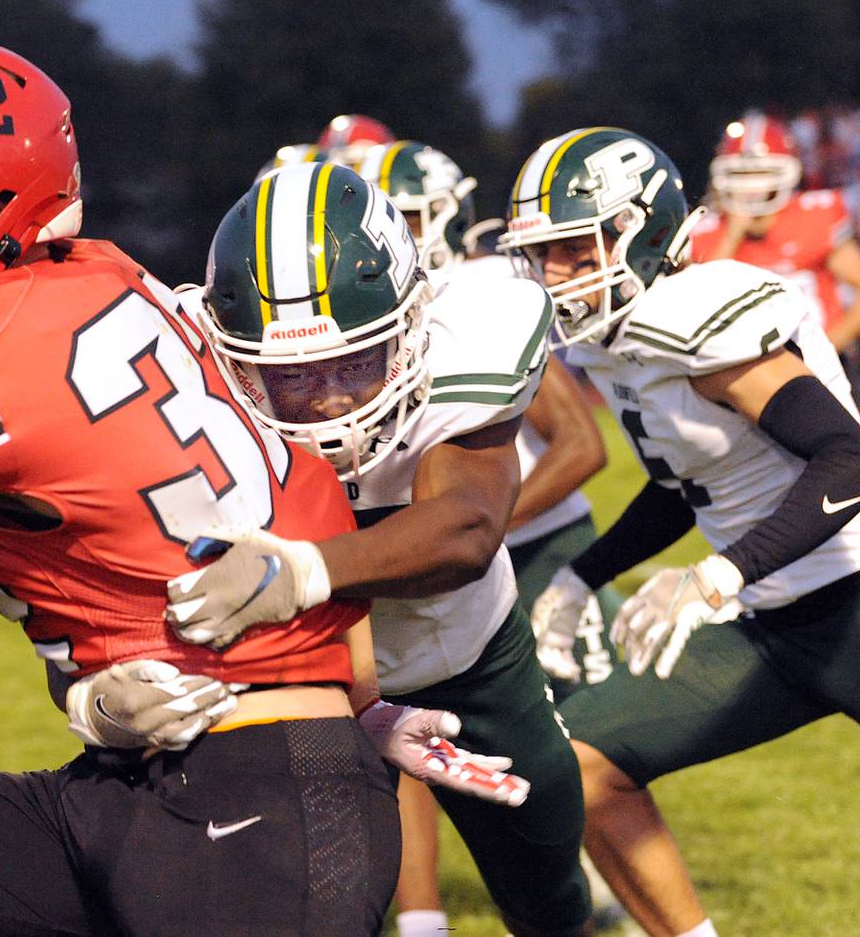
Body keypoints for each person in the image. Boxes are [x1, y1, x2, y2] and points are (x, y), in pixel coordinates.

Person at [0, 37, 480, 935]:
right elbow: (271, 504)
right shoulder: (115, 281)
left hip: (256, 810)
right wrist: (95, 696)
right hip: (177, 779)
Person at [142, 160, 591, 936]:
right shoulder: (184, 374)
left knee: (547, 880)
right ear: (235, 357)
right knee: (296, 893)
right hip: (294, 672)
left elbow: (466, 529)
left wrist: (305, 569)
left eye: (355, 359)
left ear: (414, 321)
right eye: (292, 374)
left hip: (471, 660)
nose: (329, 396)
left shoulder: (468, 335)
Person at [500, 126, 860, 937]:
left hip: (847, 595)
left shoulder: (698, 317)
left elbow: (846, 455)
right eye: (541, 252)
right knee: (578, 766)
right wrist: (578, 575)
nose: (554, 273)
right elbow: (681, 484)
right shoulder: (621, 341)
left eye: (570, 247)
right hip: (773, 624)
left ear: (642, 231)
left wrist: (717, 575)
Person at [351, 139, 626, 935]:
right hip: (412, 559)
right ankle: (426, 916)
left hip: (520, 545)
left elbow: (581, 445)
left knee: (575, 746)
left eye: (406, 218)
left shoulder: (481, 305)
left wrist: (465, 529)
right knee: (405, 728)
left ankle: (588, 894)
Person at [691, 112, 860, 392]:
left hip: (828, 361)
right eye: (743, 173)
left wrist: (828, 346)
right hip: (745, 370)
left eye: (761, 173)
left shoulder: (812, 216)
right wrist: (733, 234)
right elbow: (699, 303)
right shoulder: (708, 231)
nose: (751, 185)